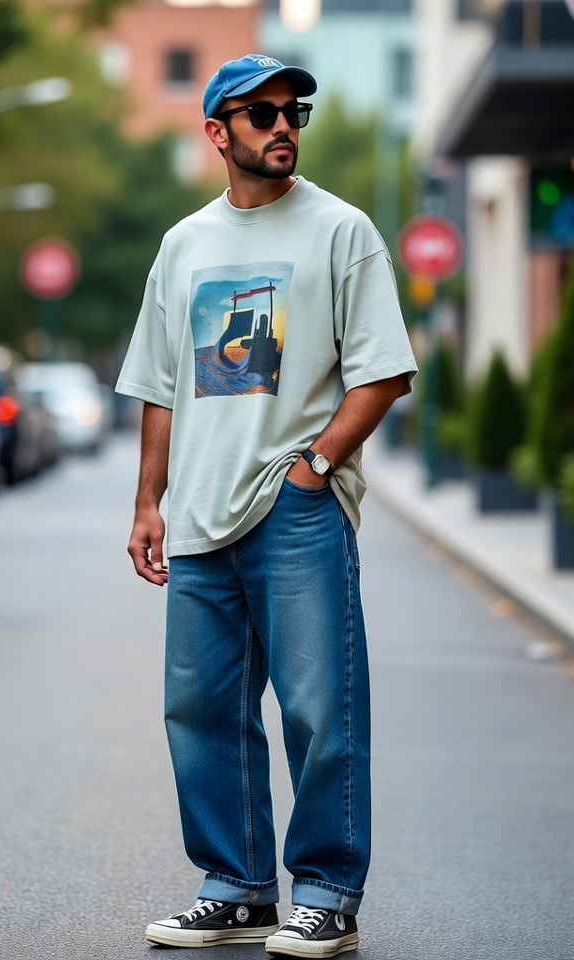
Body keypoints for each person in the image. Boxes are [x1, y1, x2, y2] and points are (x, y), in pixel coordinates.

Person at [115, 54, 417, 958]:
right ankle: (238, 885)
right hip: (200, 513)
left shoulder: (342, 231)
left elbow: (386, 372)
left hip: (295, 507)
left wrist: (318, 466)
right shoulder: (184, 245)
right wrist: (147, 502)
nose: (282, 125)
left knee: (320, 709)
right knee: (201, 711)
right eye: (259, 113)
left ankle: (326, 892)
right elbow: (161, 387)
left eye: (294, 111)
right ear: (218, 132)